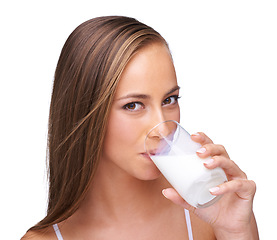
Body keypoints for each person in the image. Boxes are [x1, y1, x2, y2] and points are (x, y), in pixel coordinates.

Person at [22, 16, 259, 239]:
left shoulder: (210, 210)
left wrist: (236, 232)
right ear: (84, 112)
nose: (163, 129)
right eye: (133, 105)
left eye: (169, 100)